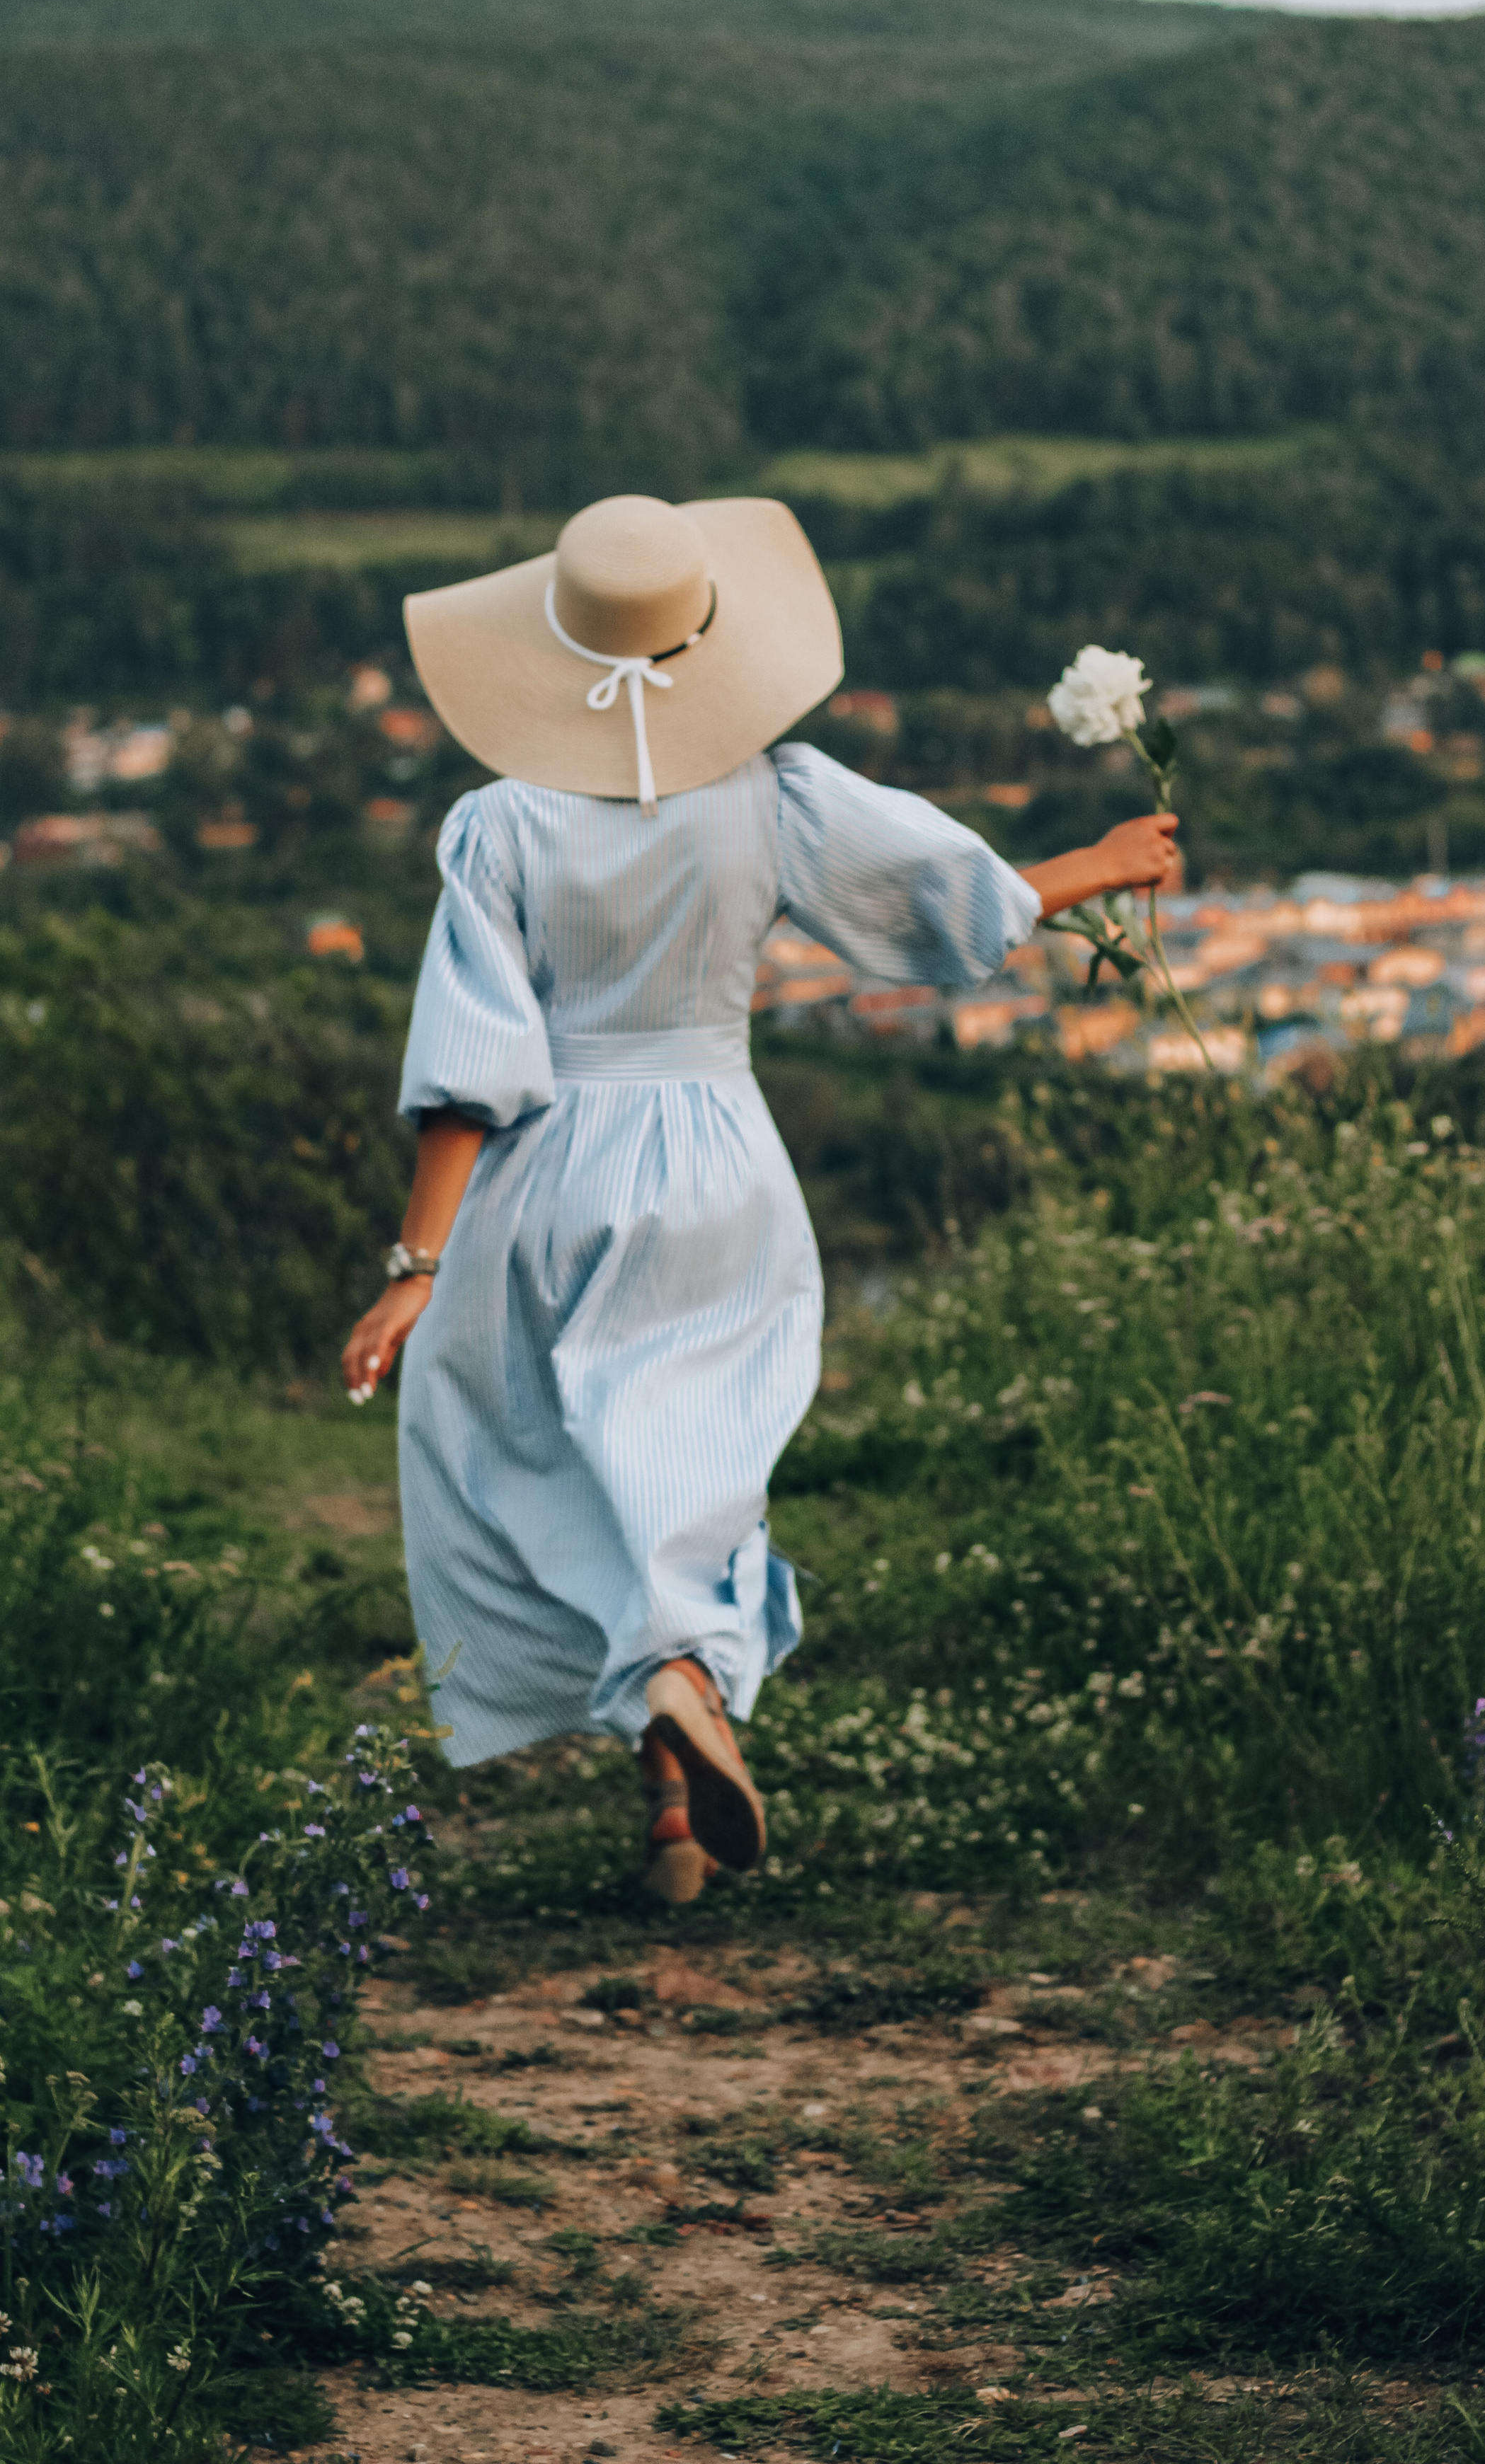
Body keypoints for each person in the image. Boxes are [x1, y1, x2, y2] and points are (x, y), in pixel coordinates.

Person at [339, 493, 1181, 1902]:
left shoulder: (500, 829)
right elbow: (941, 892)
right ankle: (680, 1728)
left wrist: (415, 1263)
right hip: (716, 1158)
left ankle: (666, 1732)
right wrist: (1096, 864)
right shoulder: (771, 791)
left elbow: (467, 1072)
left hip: (548, 1172)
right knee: (687, 1467)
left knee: (547, 1462)